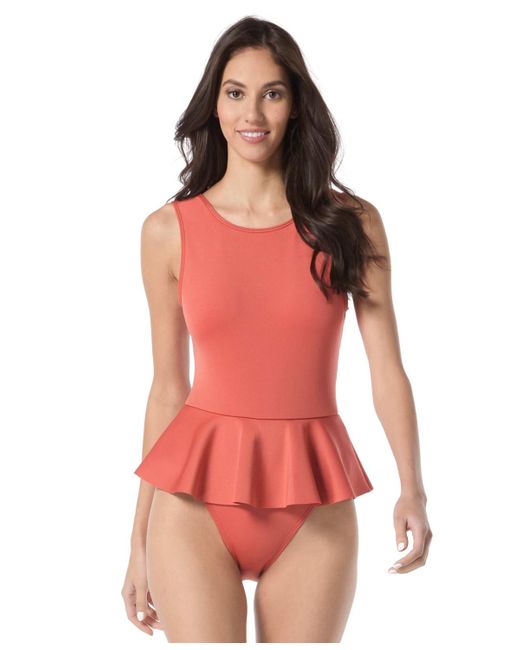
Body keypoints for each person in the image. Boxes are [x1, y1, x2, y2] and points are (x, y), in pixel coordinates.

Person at [121, 15, 433, 643]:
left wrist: (413, 489)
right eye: (235, 92)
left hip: (313, 499)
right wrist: (137, 542)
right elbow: (167, 389)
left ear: (295, 105)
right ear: (214, 104)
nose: (252, 112)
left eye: (272, 93)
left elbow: (387, 370)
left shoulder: (351, 224)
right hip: (193, 503)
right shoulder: (168, 231)